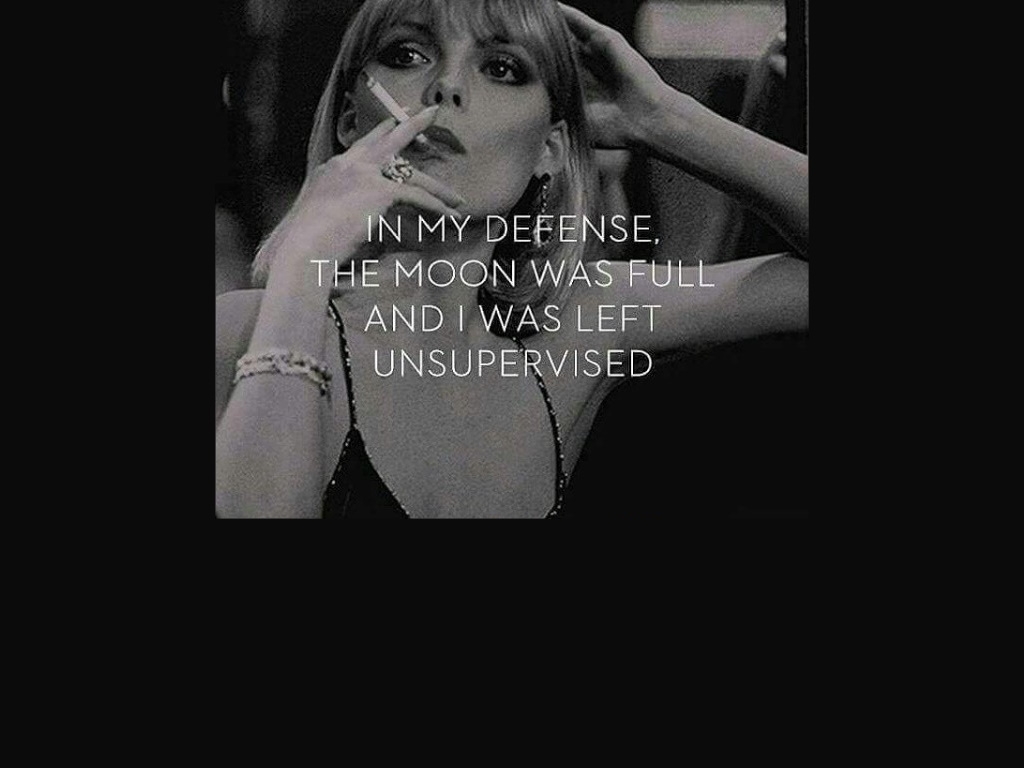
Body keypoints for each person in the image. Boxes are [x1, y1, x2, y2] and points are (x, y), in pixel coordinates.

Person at [215, 0, 809, 519]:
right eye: (408, 55)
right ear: (350, 121)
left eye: (501, 68)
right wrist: (305, 264)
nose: (447, 86)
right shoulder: (244, 329)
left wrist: (664, 121)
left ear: (549, 149)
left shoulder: (576, 332)